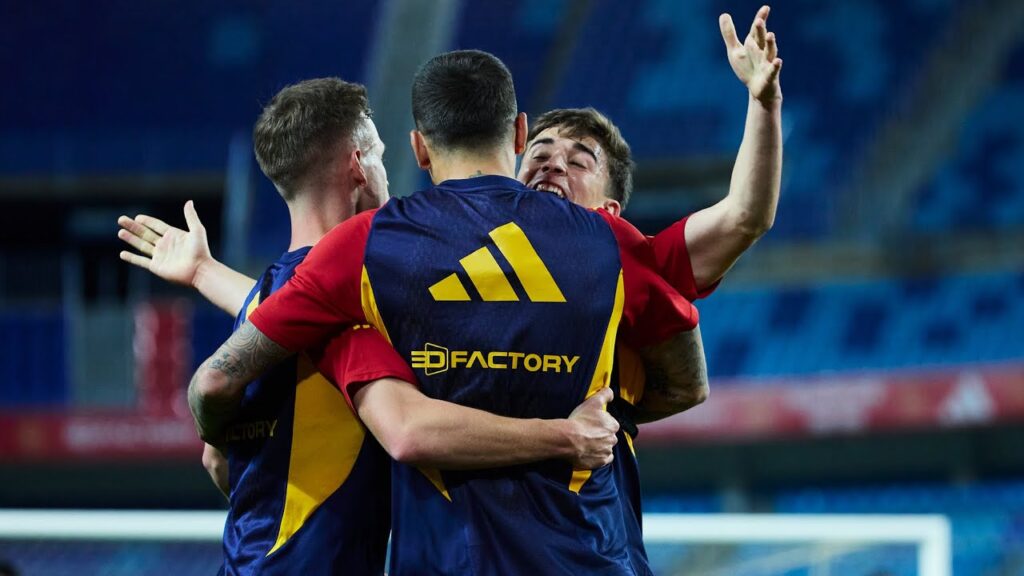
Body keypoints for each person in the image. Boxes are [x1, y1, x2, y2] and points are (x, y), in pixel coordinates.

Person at [187, 49, 704, 575]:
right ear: (521, 133)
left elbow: (218, 379)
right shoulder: (607, 242)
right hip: (591, 557)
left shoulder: (365, 252)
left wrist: (220, 430)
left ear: (420, 148)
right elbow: (689, 384)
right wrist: (589, 421)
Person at [516, 7, 783, 573]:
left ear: (610, 210)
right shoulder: (451, 256)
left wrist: (762, 106)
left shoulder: (628, 257)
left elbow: (744, 217)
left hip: (590, 542)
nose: (551, 164)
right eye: (538, 153)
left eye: (578, 161)